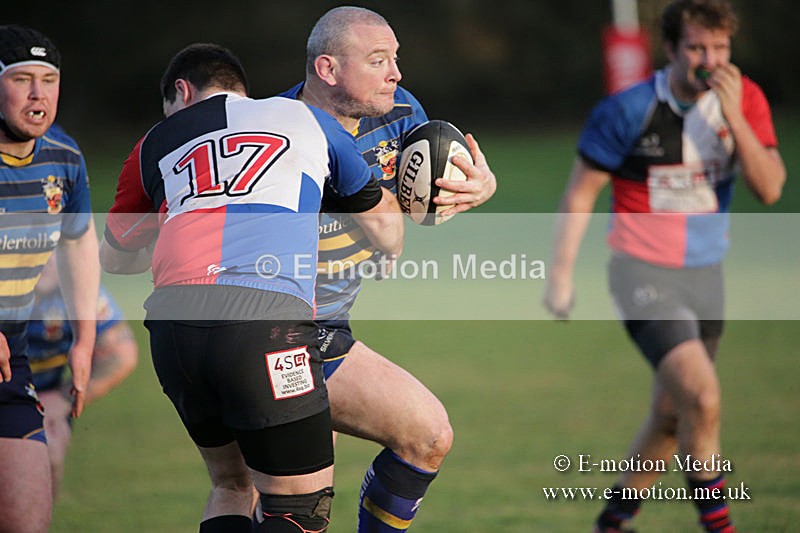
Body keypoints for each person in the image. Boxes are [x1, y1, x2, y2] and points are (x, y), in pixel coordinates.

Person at [99, 43, 403, 533]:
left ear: (181, 91)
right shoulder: (305, 118)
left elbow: (114, 256)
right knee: (298, 509)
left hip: (173, 327)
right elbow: (384, 222)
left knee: (231, 485)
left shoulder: (155, 140)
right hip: (265, 321)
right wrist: (389, 251)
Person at [542, 1, 785, 531]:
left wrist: (735, 116)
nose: (710, 60)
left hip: (707, 277)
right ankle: (720, 526)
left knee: (673, 416)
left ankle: (612, 522)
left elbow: (769, 189)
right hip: (641, 275)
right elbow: (581, 194)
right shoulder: (628, 111)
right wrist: (559, 276)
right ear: (672, 50)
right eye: (698, 47)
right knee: (703, 395)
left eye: (720, 48)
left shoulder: (744, 101)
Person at [279, 6, 497, 531]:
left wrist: (477, 188)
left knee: (417, 443)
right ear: (328, 70)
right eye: (378, 61)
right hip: (274, 331)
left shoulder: (401, 114)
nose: (395, 74)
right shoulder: (278, 129)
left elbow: (424, 199)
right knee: (265, 495)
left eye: (395, 58)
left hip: (329, 328)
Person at [0, 24, 99, 533]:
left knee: (27, 516)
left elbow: (79, 242)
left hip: (11, 358)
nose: (39, 94)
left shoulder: (63, 157)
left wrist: (84, 338)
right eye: (22, 79)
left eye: (49, 79)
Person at [28, 255, 138, 499]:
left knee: (50, 445)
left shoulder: (80, 290)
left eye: (52, 246)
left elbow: (121, 354)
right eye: (37, 245)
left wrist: (60, 400)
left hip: (41, 396)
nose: (45, 259)